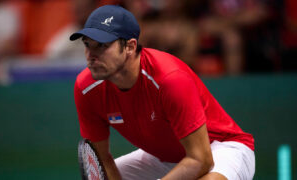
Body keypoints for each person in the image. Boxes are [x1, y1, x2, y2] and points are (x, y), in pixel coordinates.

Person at [70, 5, 255, 180]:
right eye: (87, 44)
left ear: (130, 47)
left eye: (102, 46)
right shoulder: (86, 88)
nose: (91, 55)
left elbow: (201, 160)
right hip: (161, 157)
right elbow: (101, 160)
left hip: (219, 149)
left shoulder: (170, 78)